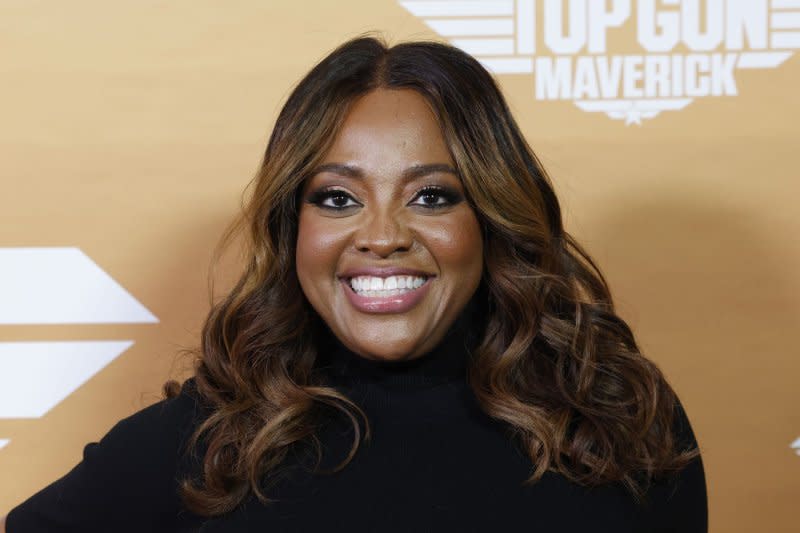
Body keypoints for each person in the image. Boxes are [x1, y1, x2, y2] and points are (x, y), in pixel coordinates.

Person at [2, 35, 707, 532]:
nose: (381, 234)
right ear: (292, 228)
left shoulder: (621, 419)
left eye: (431, 196)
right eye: (337, 198)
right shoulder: (207, 443)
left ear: (490, 218)